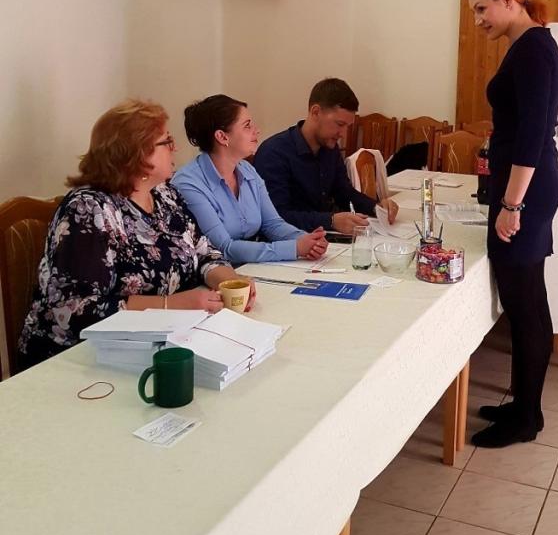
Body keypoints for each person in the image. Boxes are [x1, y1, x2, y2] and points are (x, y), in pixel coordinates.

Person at [18, 99, 255, 369]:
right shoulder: (88, 209)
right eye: (167, 141)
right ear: (138, 154)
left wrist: (229, 280)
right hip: (79, 359)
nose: (175, 148)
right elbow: (75, 309)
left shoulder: (165, 194)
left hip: (154, 343)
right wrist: (170, 305)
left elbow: (203, 251)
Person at [466, 0, 558, 447]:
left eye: (482, 8)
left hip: (527, 191)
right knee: (529, 301)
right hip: (529, 188)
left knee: (524, 305)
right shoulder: (528, 46)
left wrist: (511, 204)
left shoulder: (533, 49)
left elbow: (532, 136)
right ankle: (526, 406)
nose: (478, 21)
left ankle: (526, 418)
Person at [172, 95, 328, 265]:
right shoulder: (188, 184)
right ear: (222, 137)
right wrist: (294, 248)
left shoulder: (247, 169)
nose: (256, 130)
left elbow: (272, 224)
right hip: (217, 272)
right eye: (247, 126)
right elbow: (224, 248)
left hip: (254, 266)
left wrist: (308, 239)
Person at [253, 78, 398, 234]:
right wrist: (330, 221)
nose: (343, 134)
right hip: (290, 242)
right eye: (340, 124)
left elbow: (344, 192)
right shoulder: (274, 153)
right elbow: (276, 217)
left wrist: (376, 207)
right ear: (315, 112)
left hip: (324, 238)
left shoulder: (329, 148)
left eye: (347, 126)